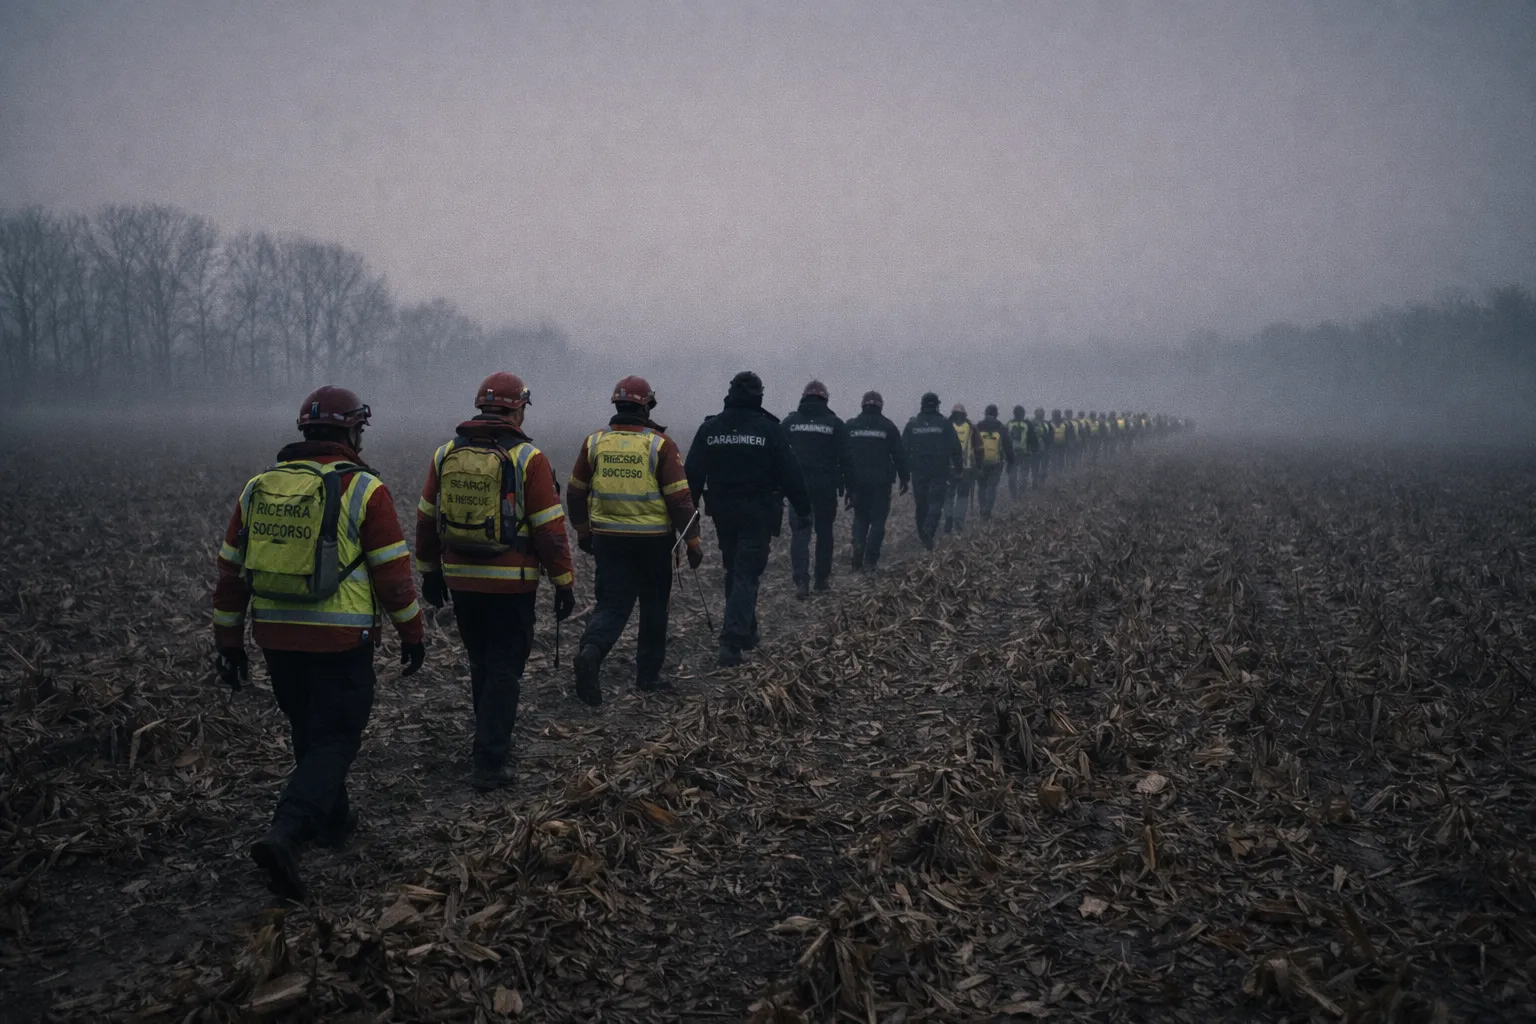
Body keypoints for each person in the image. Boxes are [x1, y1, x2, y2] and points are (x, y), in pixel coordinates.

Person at [213, 385, 425, 901]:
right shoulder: (363, 490)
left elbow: (231, 574)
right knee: (335, 739)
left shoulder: (258, 487)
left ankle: (336, 820)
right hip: (339, 641)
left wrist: (229, 641)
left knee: (310, 729)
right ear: (352, 431)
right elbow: (393, 574)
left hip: (275, 639)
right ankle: (287, 833)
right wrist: (412, 631)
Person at [414, 372, 574, 791]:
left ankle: (486, 741)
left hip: (462, 580)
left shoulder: (445, 453)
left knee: (483, 663)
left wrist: (430, 571)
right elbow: (549, 530)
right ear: (518, 408)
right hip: (511, 584)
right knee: (505, 668)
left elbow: (426, 518)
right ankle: (489, 760)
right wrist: (564, 581)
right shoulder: (528, 459)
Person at [567, 376, 702, 703]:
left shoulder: (595, 442)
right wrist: (693, 541)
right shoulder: (660, 445)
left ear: (617, 405)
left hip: (609, 541)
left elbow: (574, 492)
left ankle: (591, 651)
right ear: (646, 405)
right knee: (654, 609)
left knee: (612, 605)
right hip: (654, 544)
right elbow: (680, 500)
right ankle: (648, 677)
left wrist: (584, 532)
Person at [685, 371, 810, 667]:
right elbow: (791, 474)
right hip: (758, 513)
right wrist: (804, 509)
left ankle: (748, 629)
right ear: (759, 396)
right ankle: (732, 640)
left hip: (723, 512)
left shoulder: (710, 428)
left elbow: (691, 474)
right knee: (745, 573)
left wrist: (688, 513)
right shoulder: (769, 430)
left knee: (735, 569)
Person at [781, 380, 848, 598]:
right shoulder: (835, 424)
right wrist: (849, 487)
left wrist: (777, 487)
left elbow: (777, 456)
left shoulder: (790, 422)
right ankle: (822, 579)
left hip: (797, 488)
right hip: (825, 488)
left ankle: (801, 580)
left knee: (800, 534)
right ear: (825, 399)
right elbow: (846, 458)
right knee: (825, 533)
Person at [842, 390, 908, 573]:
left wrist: (845, 482)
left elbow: (843, 455)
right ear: (881, 406)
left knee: (860, 516)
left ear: (863, 404)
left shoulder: (851, 426)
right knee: (878, 520)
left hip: (857, 482)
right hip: (881, 482)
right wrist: (904, 477)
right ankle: (871, 560)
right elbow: (899, 455)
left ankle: (858, 546)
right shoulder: (888, 427)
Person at [901, 392, 962, 550]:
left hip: (918, 471)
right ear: (937, 405)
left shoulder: (912, 424)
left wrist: (904, 473)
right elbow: (956, 448)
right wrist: (959, 468)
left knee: (921, 504)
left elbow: (903, 450)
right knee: (935, 502)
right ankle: (929, 530)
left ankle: (923, 535)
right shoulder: (944, 423)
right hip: (939, 470)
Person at [942, 403, 983, 533]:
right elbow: (979, 449)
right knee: (963, 496)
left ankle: (948, 516)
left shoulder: (945, 426)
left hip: (948, 469)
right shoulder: (971, 427)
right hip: (967, 468)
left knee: (948, 495)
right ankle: (959, 521)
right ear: (964, 414)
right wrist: (979, 466)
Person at [973, 404, 1013, 520]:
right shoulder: (1001, 427)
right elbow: (1008, 446)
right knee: (992, 486)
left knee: (981, 486)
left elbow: (972, 445)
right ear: (996, 414)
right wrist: (1010, 462)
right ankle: (988, 509)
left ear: (986, 413)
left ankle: (982, 508)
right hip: (996, 463)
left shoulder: (978, 426)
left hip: (980, 462)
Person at [1005, 405, 1037, 499]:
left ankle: (1015, 495)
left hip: (1014, 455)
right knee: (1022, 476)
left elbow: (1004, 439)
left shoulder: (1009, 424)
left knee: (1013, 477)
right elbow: (1033, 438)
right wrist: (1035, 449)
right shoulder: (1027, 424)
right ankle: (1019, 494)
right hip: (1024, 454)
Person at [1032, 407, 1052, 486]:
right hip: (1042, 449)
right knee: (1042, 467)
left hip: (1037, 449)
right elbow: (1051, 436)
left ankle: (1036, 482)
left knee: (1036, 467)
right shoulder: (1047, 423)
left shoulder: (1031, 423)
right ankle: (1039, 482)